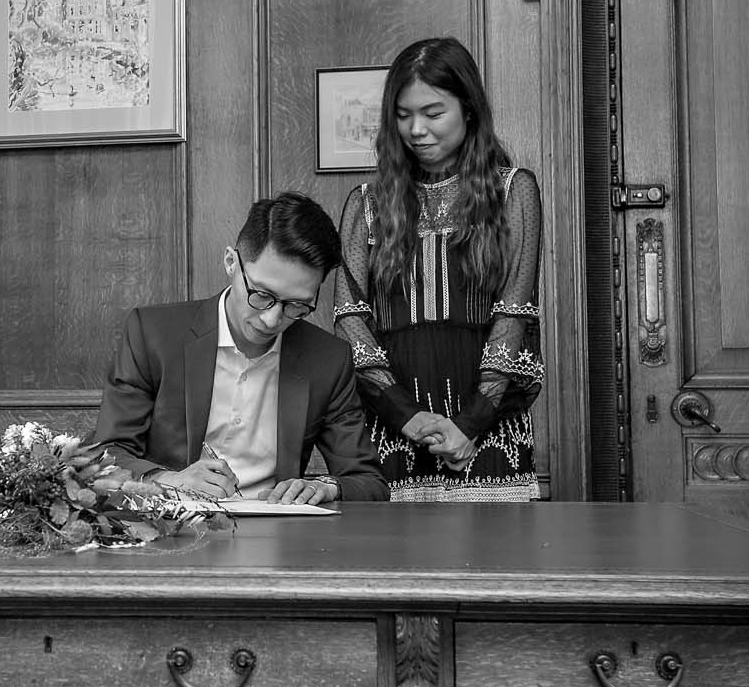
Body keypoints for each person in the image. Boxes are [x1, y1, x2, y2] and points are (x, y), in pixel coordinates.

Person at [332, 36, 543, 501]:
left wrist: (470, 425)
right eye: (403, 115)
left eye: (432, 113)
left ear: (469, 109)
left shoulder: (514, 192)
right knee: (393, 568)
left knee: (494, 564)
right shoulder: (365, 205)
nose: (416, 129)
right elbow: (350, 320)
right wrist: (406, 415)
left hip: (486, 427)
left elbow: (514, 312)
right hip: (391, 426)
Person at [94, 191, 388, 504]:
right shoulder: (153, 333)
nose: (272, 318)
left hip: (279, 538)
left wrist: (327, 487)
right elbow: (105, 455)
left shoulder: (327, 359)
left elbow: (369, 482)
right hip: (172, 531)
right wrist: (170, 481)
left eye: (297, 306)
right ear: (231, 262)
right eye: (262, 295)